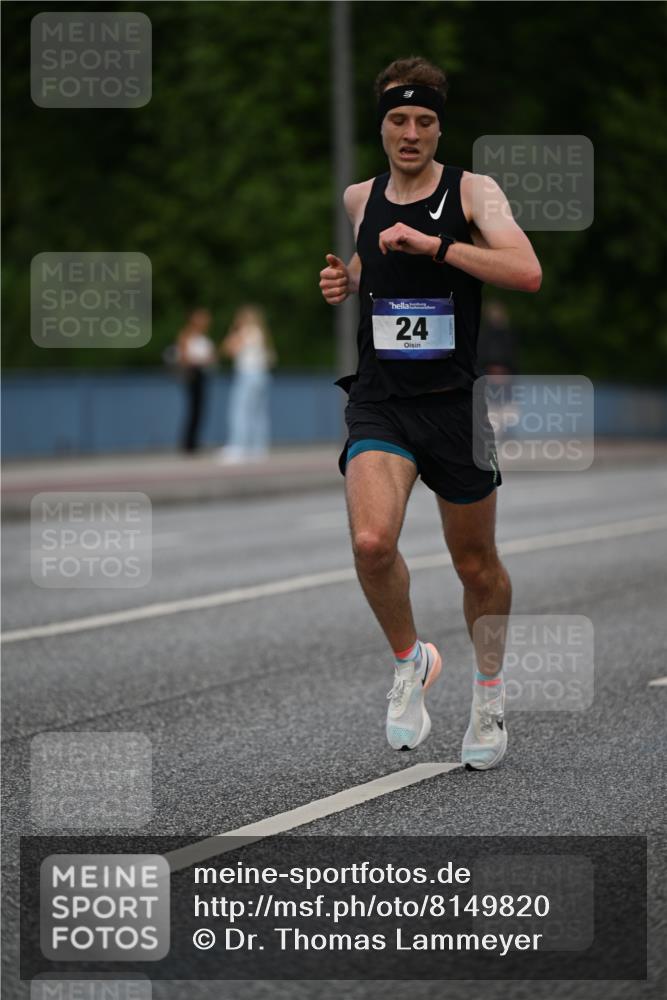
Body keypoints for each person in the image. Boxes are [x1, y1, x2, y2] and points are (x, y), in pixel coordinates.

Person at [319, 57, 542, 769]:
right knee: (370, 544)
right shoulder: (359, 198)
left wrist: (437, 245)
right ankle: (409, 660)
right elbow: (373, 274)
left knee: (475, 566)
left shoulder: (474, 191)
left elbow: (525, 271)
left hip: (456, 407)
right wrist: (343, 281)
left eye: (422, 121)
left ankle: (486, 691)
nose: (409, 133)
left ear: (438, 126)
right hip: (381, 400)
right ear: (381, 125)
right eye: (396, 120)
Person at [218, 305, 276, 464]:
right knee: (259, 412)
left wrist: (232, 331)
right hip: (262, 375)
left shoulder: (245, 331)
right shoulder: (260, 333)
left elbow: (228, 350)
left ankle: (238, 447)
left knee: (240, 410)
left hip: (247, 374)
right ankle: (258, 448)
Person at [176, 308, 215, 453]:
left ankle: (195, 441)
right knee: (193, 409)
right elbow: (183, 357)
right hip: (192, 373)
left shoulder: (204, 338)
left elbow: (212, 356)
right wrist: (200, 361)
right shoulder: (186, 335)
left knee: (201, 410)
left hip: (204, 373)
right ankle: (188, 443)